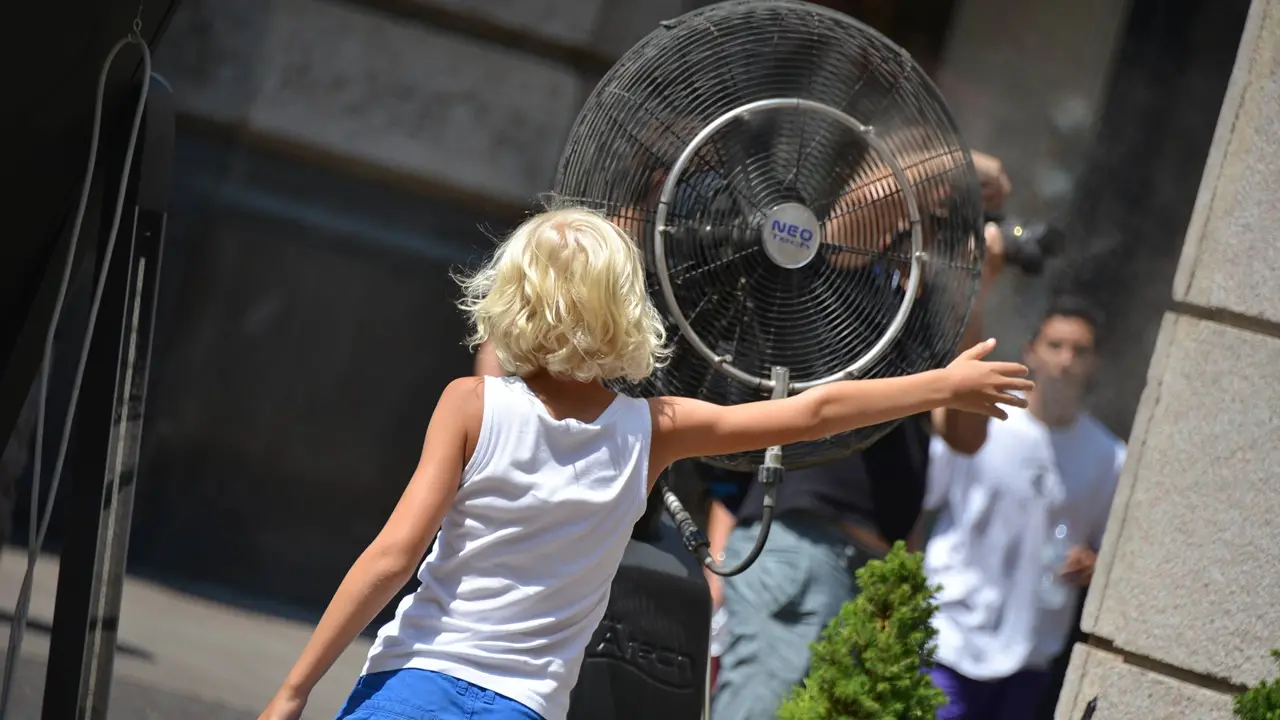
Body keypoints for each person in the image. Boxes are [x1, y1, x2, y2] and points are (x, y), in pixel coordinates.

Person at [257, 206, 1033, 720]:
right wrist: (944, 381)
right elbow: (814, 412)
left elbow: (393, 557)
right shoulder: (654, 428)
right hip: (522, 706)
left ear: (511, 298)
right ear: (627, 309)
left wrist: (295, 691)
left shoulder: (471, 404)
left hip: (413, 684)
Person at [709, 152, 1012, 720]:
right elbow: (863, 206)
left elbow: (966, 432)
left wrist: (974, 288)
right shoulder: (831, 278)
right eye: (935, 214)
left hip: (870, 567)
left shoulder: (921, 318)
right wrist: (959, 165)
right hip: (805, 543)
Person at [922, 295, 1125, 720]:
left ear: (1096, 363)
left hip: (1031, 651)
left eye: (1080, 350)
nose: (1066, 360)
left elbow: (1110, 553)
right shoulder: (986, 416)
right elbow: (924, 496)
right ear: (1031, 350)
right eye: (1055, 345)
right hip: (950, 636)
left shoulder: (1110, 457)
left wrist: (1093, 565)